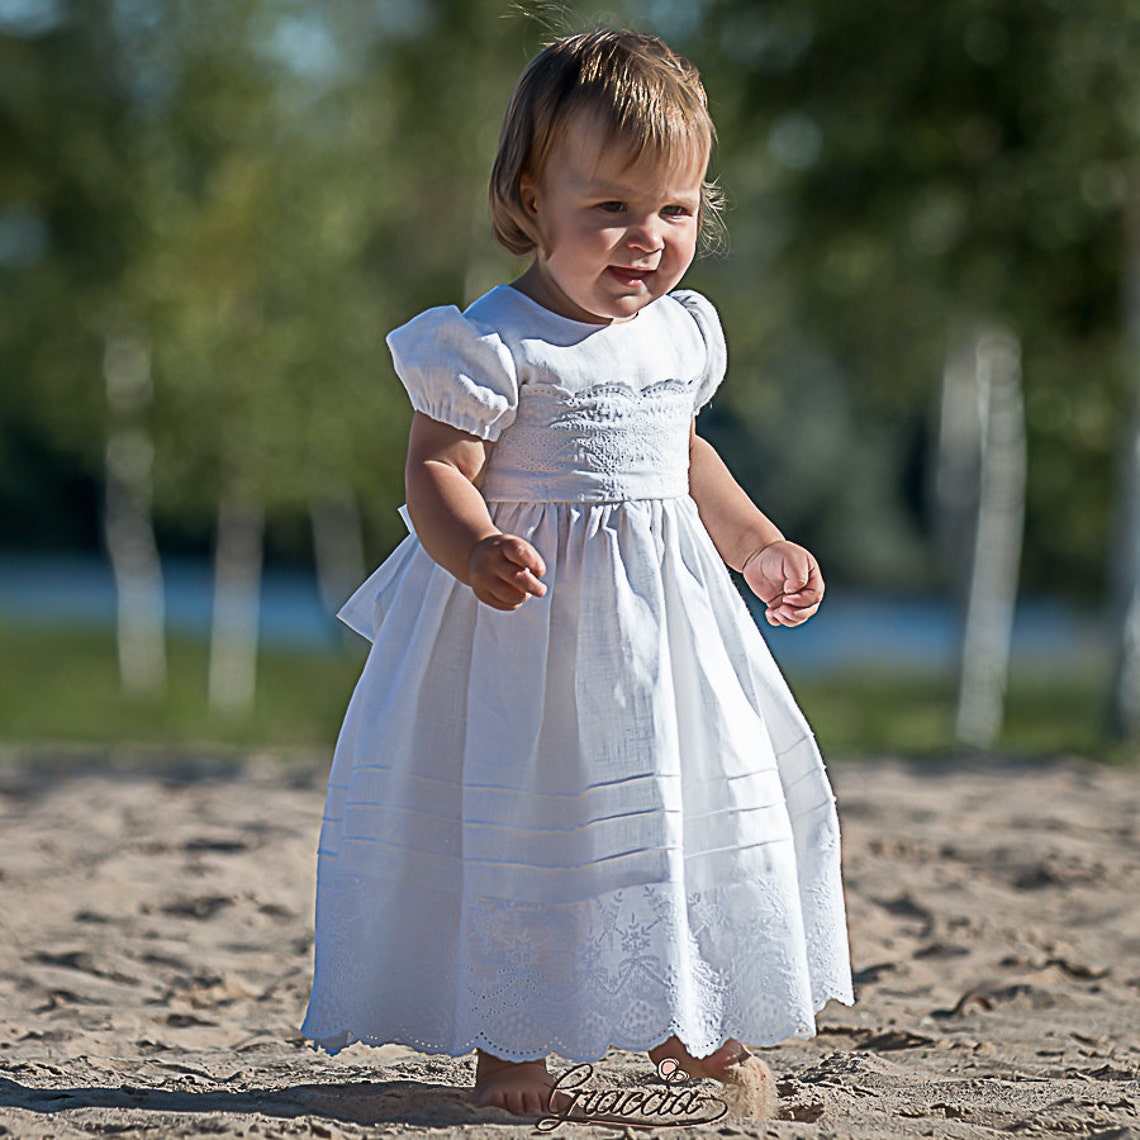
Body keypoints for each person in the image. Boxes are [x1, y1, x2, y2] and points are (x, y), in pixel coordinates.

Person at [301, 28, 854, 1120]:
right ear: (529, 198)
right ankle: (512, 1046)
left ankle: (684, 1010)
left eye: (676, 211)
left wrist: (757, 545)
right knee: (532, 814)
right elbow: (432, 470)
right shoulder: (493, 344)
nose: (646, 240)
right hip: (526, 636)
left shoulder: (682, 337)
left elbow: (688, 459)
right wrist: (473, 547)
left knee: (676, 808)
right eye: (610, 209)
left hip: (665, 639)